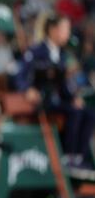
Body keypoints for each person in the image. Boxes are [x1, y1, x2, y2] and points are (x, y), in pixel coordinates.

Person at [16, 14, 95, 168]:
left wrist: (73, 97)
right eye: (65, 29)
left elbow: (63, 84)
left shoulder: (62, 54)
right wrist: (28, 90)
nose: (67, 33)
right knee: (74, 113)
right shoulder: (36, 51)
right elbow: (21, 75)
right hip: (41, 103)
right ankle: (67, 156)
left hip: (57, 101)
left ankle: (79, 157)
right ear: (53, 30)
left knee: (88, 113)